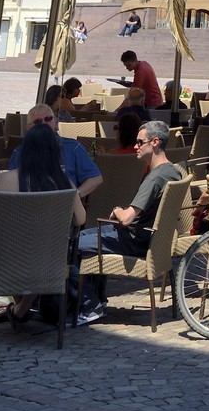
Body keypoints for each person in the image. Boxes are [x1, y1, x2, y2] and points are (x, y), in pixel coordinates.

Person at [75, 120, 184, 324]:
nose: (135, 146)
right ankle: (98, 300)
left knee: (70, 245)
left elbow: (126, 219)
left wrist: (117, 210)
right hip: (150, 239)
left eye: (139, 142)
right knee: (81, 236)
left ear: (154, 143)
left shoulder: (154, 178)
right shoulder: (174, 171)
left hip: (132, 241)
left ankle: (90, 306)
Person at [0, 121, 86, 325]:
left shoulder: (6, 181)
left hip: (5, 262)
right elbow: (80, 220)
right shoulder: (64, 184)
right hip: (49, 262)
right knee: (47, 253)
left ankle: (20, 308)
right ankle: (22, 308)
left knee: (12, 251)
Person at [8, 106, 102, 206]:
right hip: (29, 207)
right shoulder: (20, 152)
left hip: (64, 207)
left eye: (48, 119)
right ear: (29, 127)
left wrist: (76, 196)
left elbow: (95, 178)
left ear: (55, 121)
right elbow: (9, 184)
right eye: (38, 122)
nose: (44, 124)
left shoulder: (73, 148)